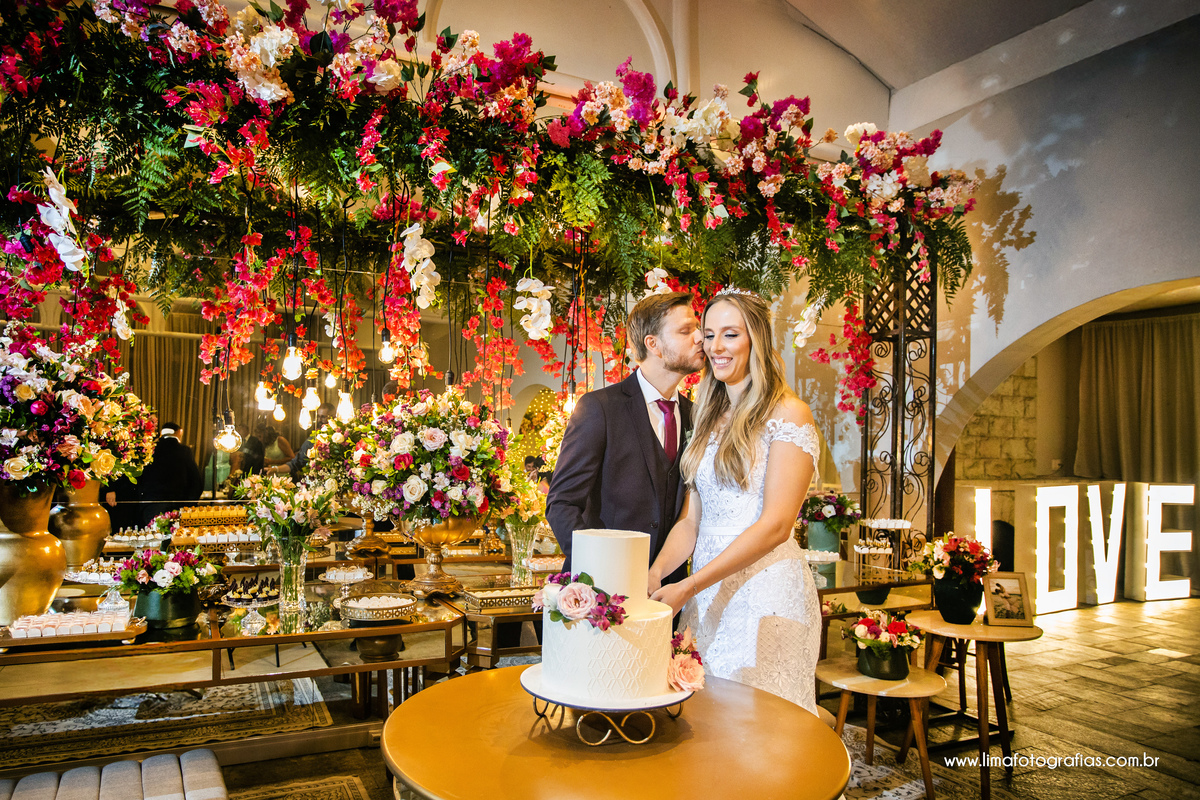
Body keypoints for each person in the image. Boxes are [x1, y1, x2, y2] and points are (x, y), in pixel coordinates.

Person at [648, 289, 822, 714]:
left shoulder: (789, 414)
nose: (716, 347)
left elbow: (776, 526)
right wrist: (652, 577)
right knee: (705, 725)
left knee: (761, 730)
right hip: (708, 592)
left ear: (755, 339)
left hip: (765, 593)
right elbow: (691, 524)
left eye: (730, 334)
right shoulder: (708, 416)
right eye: (709, 335)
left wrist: (687, 585)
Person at [546, 291, 704, 581]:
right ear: (653, 344)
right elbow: (562, 504)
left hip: (669, 592)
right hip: (601, 592)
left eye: (698, 328)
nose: (700, 338)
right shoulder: (600, 408)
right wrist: (600, 570)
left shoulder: (698, 415)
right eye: (686, 330)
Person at [139, 422, 204, 525]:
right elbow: (196, 480)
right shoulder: (184, 451)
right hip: (178, 504)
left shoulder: (150, 449)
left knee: (155, 536)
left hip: (152, 504)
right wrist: (190, 503)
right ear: (179, 433)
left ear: (161, 433)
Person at [269, 403, 334, 477]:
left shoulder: (339, 436)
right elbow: (297, 462)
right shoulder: (313, 438)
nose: (319, 420)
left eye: (323, 417)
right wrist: (275, 469)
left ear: (333, 417)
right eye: (318, 416)